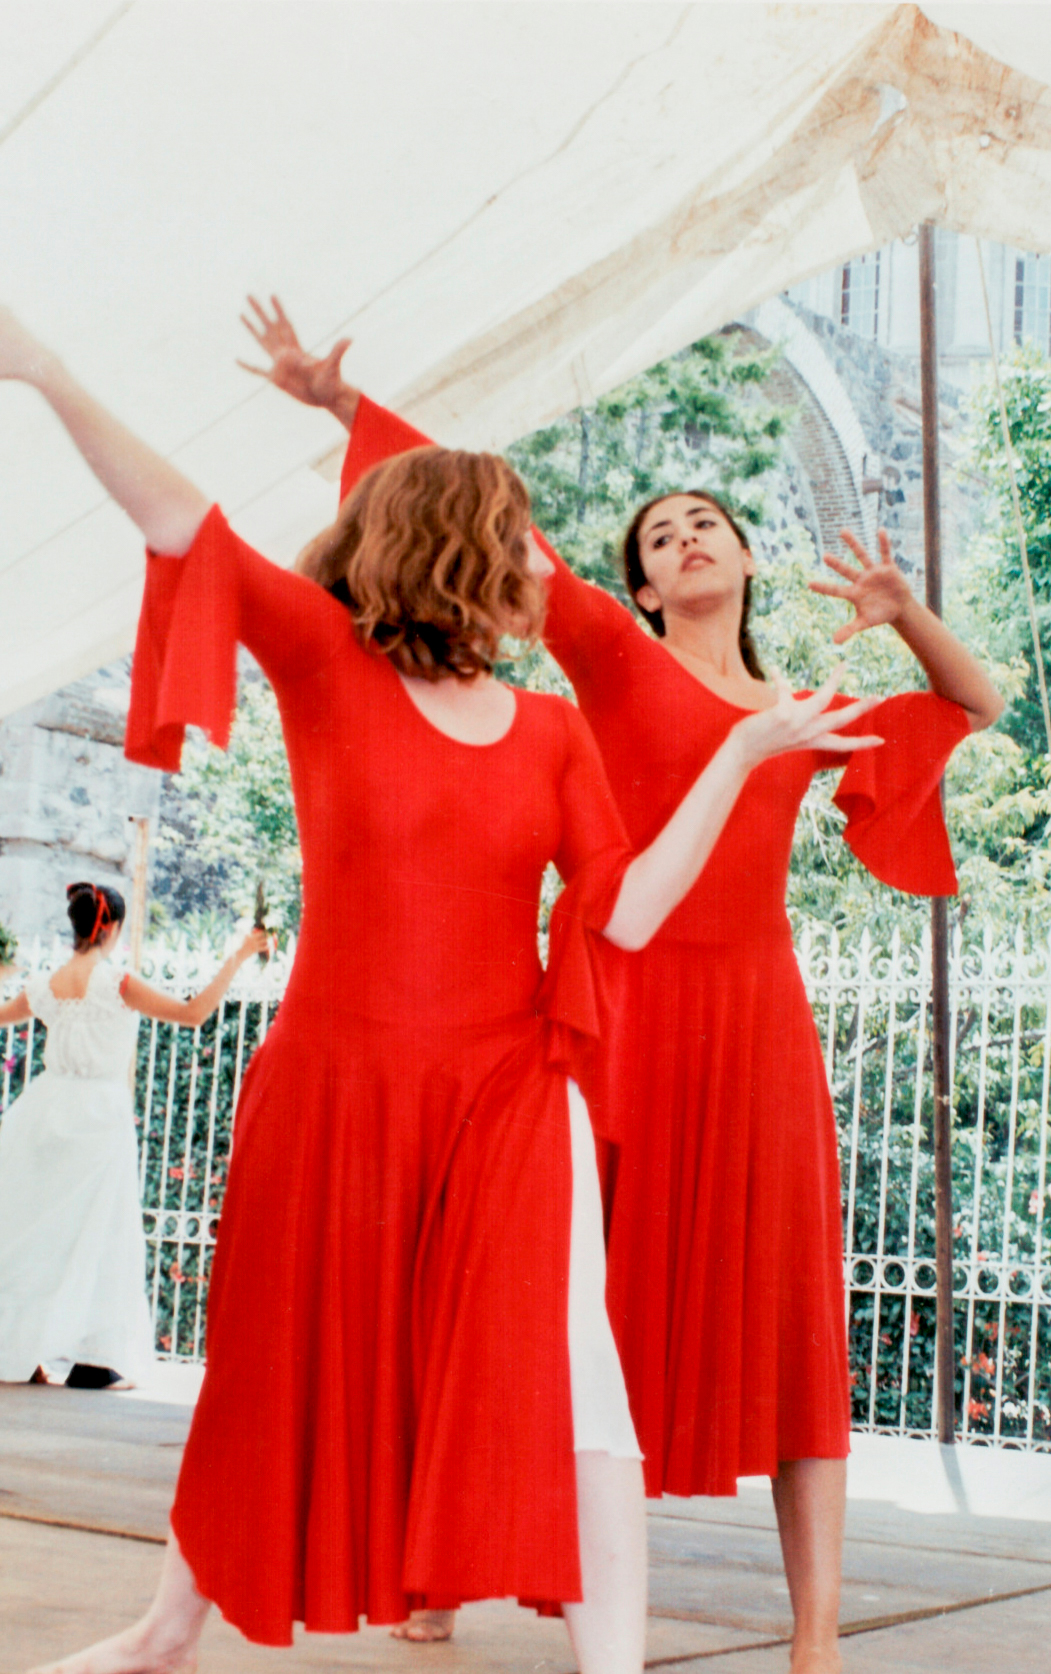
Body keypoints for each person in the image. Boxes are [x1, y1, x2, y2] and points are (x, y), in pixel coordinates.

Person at [0, 305, 881, 1674]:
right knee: (274, 1359)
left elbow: (628, 910)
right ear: (458, 551)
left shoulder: (551, 731)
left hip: (510, 1096)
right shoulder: (324, 662)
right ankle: (167, 1630)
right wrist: (51, 369)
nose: (536, 562)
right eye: (513, 537)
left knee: (578, 1380)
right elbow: (183, 521)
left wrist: (738, 753)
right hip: (336, 1085)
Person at [242, 298, 1005, 1674]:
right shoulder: (604, 650)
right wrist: (344, 409)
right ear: (640, 588)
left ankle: (815, 1636)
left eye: (706, 522)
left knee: (789, 1309)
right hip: (612, 1008)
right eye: (658, 535)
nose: (684, 536)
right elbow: (486, 518)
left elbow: (979, 703)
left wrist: (904, 617)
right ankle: (441, 1568)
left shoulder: (804, 712)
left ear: (746, 557)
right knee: (521, 1292)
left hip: (756, 1024)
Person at [0, 881, 266, 1392]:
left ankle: (20, 1351)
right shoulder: (116, 982)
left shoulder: (46, 984)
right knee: (102, 1235)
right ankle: (94, 1362)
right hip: (98, 1118)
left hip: (44, 1111)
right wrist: (237, 958)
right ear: (113, 928)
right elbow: (193, 1013)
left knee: (38, 1233)